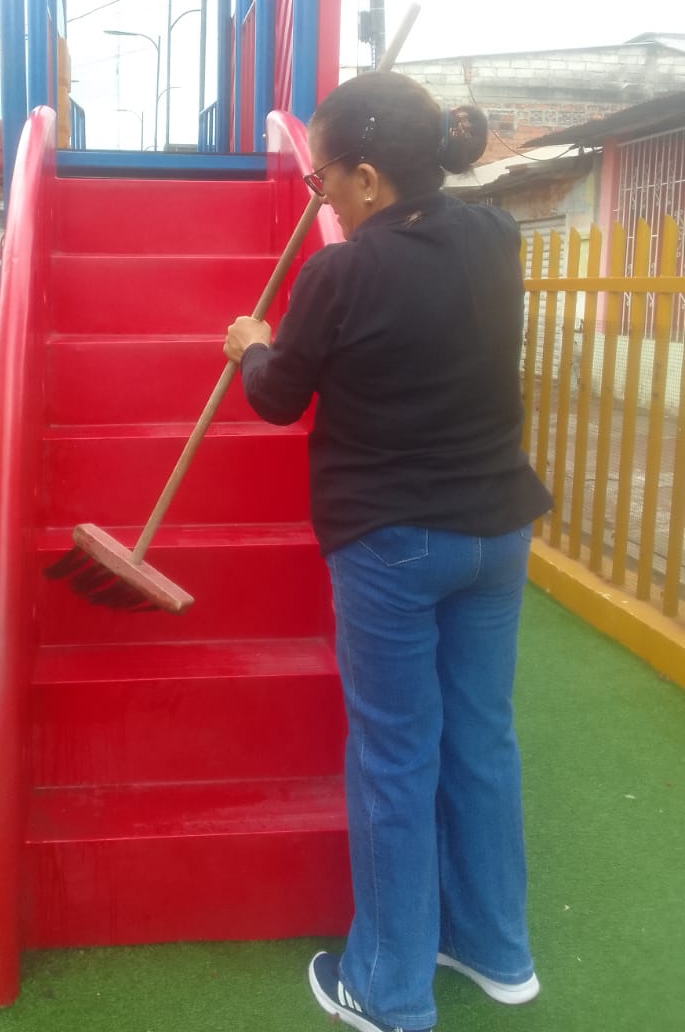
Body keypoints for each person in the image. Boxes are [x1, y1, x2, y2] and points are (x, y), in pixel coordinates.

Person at [223, 72, 552, 1032]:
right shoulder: (497, 237)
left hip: (394, 543)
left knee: (395, 756)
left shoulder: (341, 272)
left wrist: (251, 343)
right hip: (498, 534)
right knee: (482, 739)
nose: (319, 191)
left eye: (324, 175)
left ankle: (389, 989)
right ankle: (496, 950)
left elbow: (279, 396)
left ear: (366, 177)